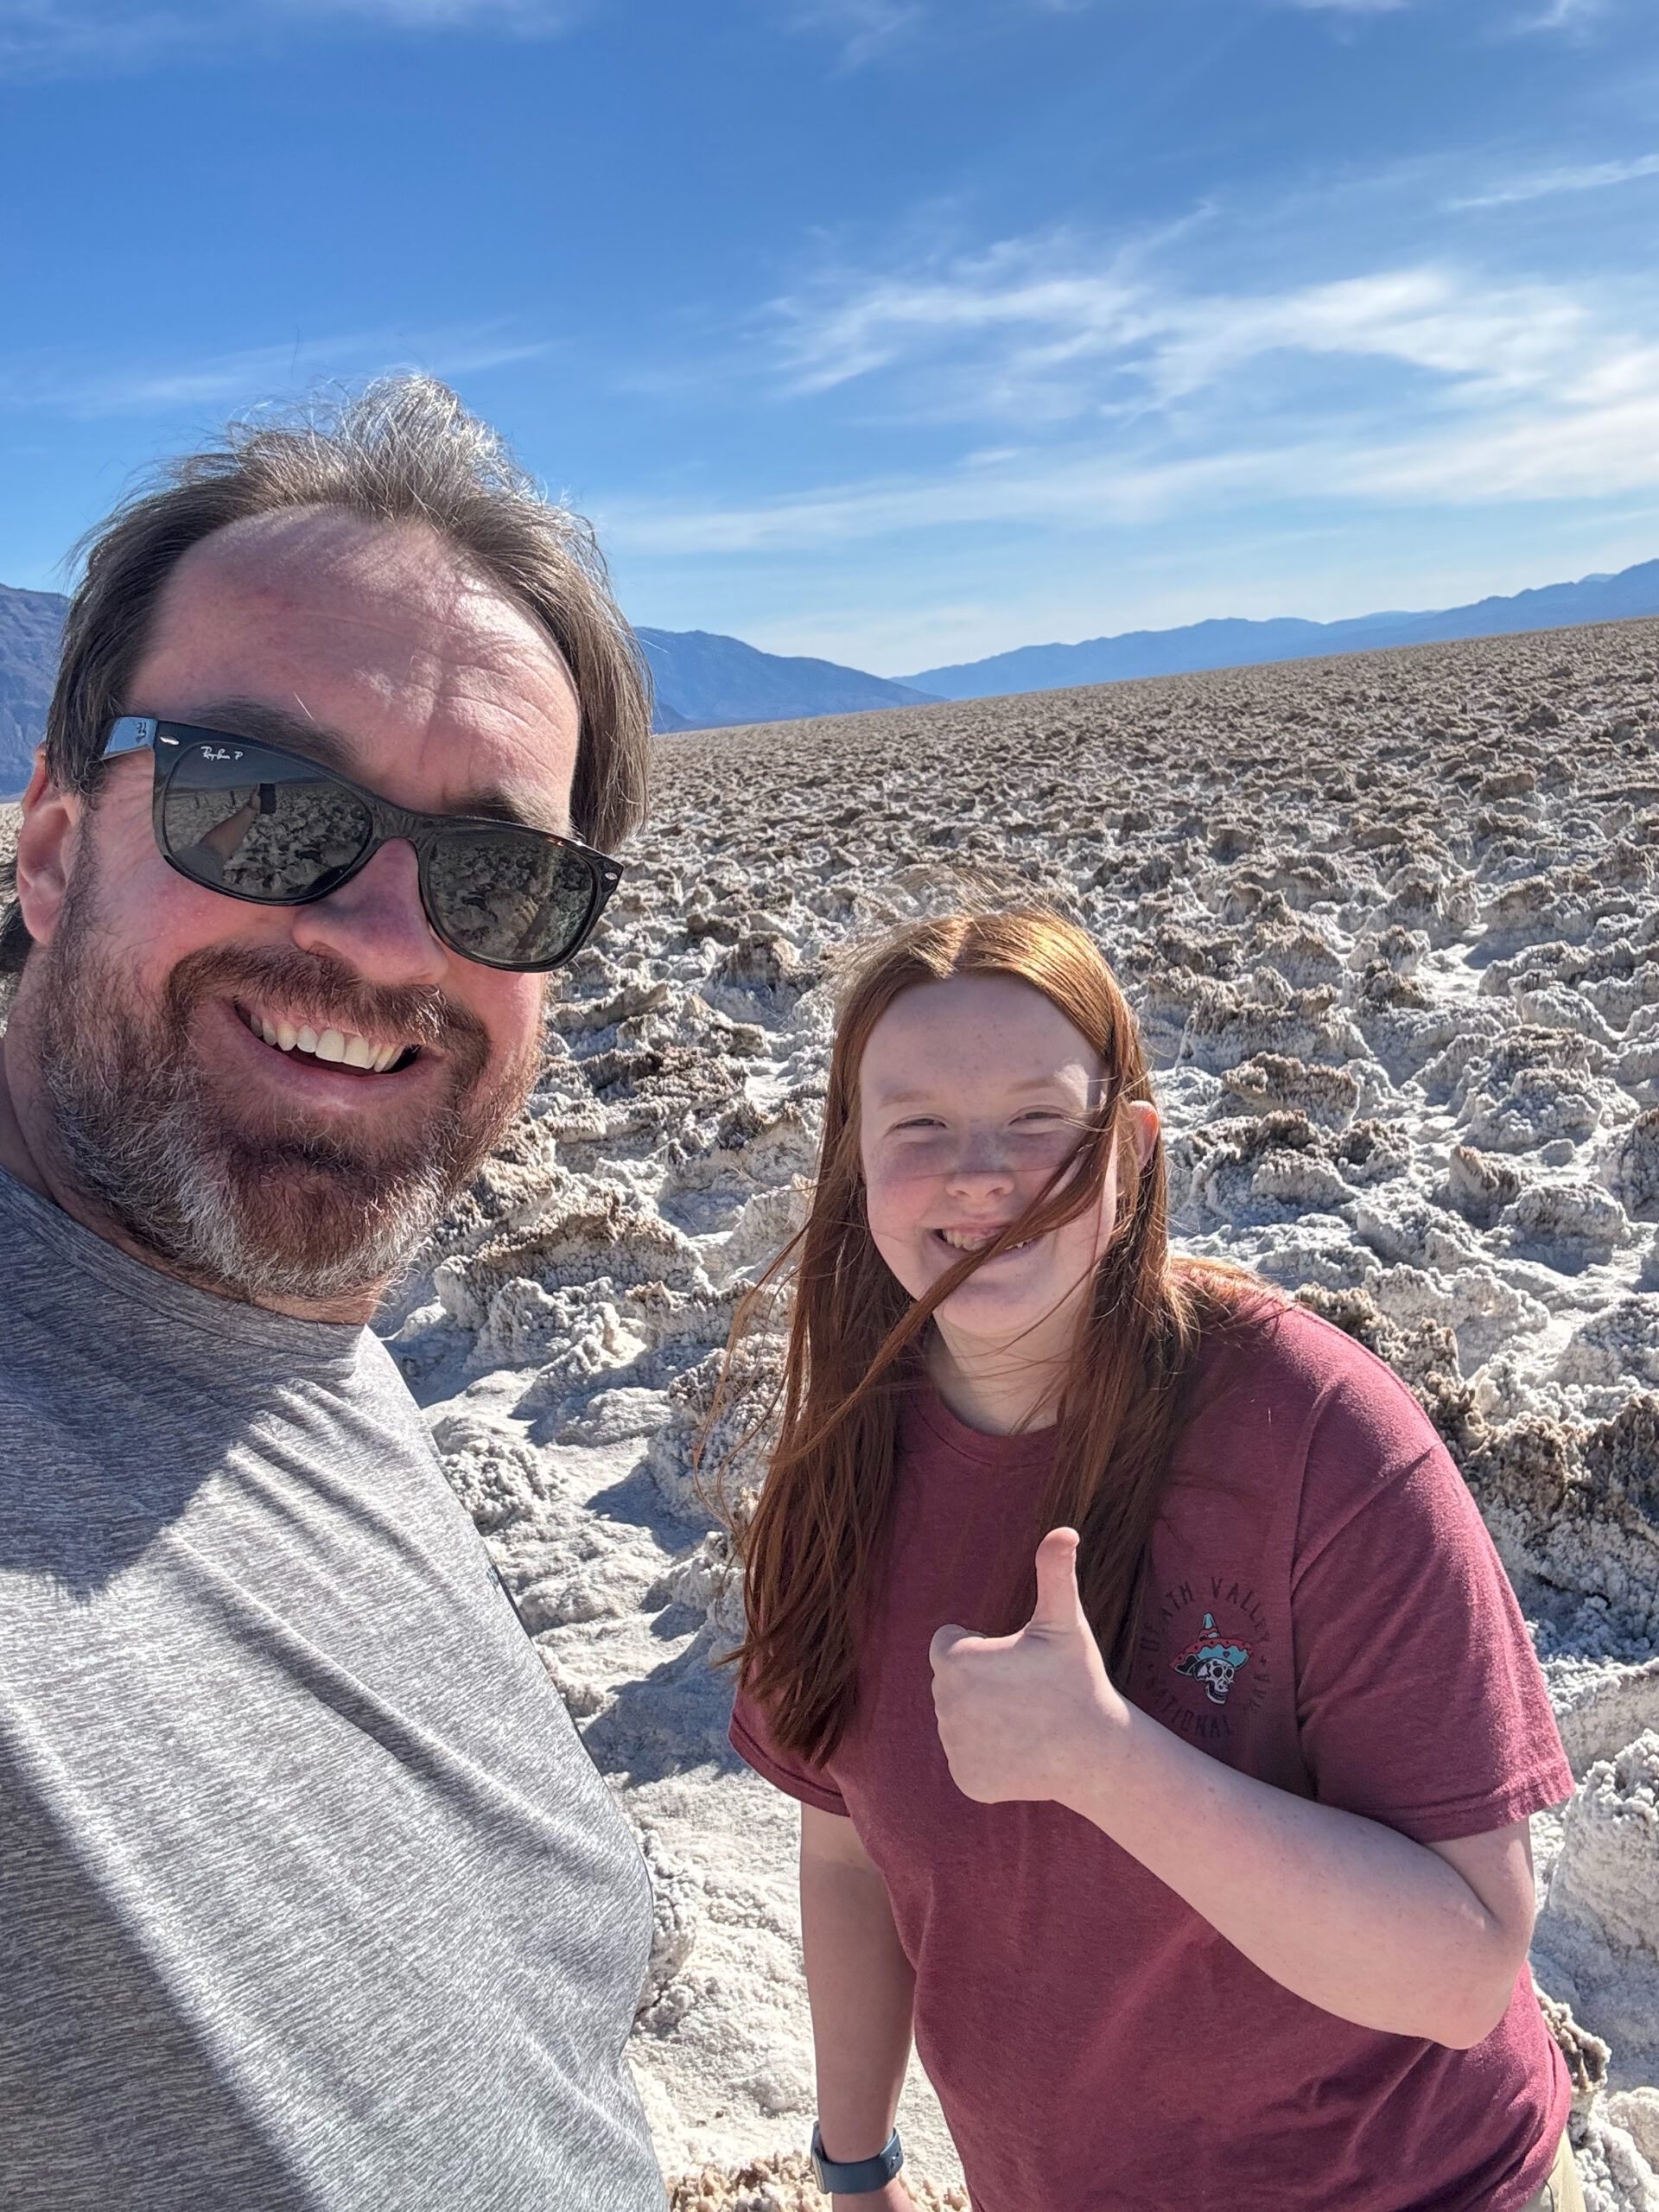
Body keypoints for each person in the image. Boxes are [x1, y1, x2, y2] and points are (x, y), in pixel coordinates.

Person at [0, 377, 669, 2211]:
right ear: (53, 850)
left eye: (500, 876)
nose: (388, 939)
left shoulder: (295, 1340)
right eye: (262, 802)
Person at [726, 908, 1583, 2212]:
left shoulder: (1318, 1438)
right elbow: (846, 1847)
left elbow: (1465, 1969)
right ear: (852, 1162)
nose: (979, 1176)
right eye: (917, 1127)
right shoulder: (836, 1476)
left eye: (1036, 1120)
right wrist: (856, 2169)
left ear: (1129, 1151)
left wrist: (1112, 1763)